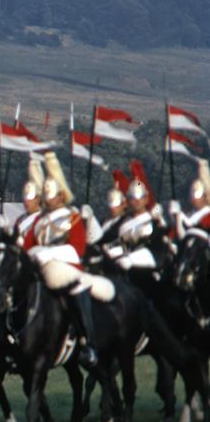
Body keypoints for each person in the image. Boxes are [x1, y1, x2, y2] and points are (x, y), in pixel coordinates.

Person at [22, 152, 98, 368]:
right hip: (42, 269)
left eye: (52, 195)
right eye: (45, 196)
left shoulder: (72, 217)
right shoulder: (39, 220)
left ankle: (87, 341)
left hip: (67, 269)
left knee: (75, 292)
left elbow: (77, 250)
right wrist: (35, 253)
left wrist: (49, 253)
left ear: (61, 196)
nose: (47, 199)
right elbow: (27, 247)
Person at [110, 161, 170, 294]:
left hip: (149, 275)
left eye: (140, 197)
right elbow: (110, 242)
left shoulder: (155, 222)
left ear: (146, 198)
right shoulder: (121, 223)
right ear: (127, 200)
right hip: (123, 273)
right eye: (132, 198)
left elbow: (159, 251)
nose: (137, 201)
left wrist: (132, 259)